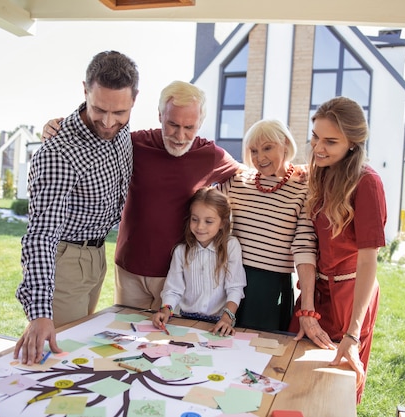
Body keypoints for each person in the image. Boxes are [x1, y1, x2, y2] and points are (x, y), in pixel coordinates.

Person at [42, 81, 241, 311]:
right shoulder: (133, 143)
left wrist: (291, 172)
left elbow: (247, 174)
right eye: (173, 124)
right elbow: (92, 139)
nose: (180, 135)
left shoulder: (209, 155)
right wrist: (54, 126)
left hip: (175, 274)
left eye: (189, 127)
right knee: (124, 338)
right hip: (129, 267)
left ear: (200, 123)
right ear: (159, 116)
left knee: (164, 342)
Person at [14, 51, 139, 366]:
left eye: (119, 112)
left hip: (97, 258)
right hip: (65, 262)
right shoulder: (59, 153)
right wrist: (40, 312)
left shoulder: (121, 130)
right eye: (99, 109)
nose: (109, 122)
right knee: (55, 361)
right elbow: (41, 234)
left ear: (134, 100)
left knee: (82, 354)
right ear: (85, 91)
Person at [288, 96, 387, 404]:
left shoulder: (367, 183)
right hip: (315, 288)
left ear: (353, 145)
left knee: (333, 385)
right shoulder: (320, 170)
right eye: (315, 137)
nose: (318, 148)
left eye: (330, 141)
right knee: (290, 372)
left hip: (350, 294)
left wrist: (353, 333)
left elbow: (370, 262)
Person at [218, 119, 317, 332]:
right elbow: (204, 206)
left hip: (272, 288)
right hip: (233, 281)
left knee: (262, 352)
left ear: (284, 144)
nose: (259, 157)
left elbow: (304, 246)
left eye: (267, 148)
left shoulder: (303, 187)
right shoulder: (238, 181)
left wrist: (308, 305)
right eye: (254, 150)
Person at [152, 187, 246, 337]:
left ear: (222, 223)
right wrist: (165, 310)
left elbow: (235, 287)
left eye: (208, 221)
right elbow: (173, 289)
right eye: (194, 219)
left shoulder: (231, 246)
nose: (200, 226)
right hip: (183, 321)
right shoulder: (181, 251)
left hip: (218, 324)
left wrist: (227, 318)